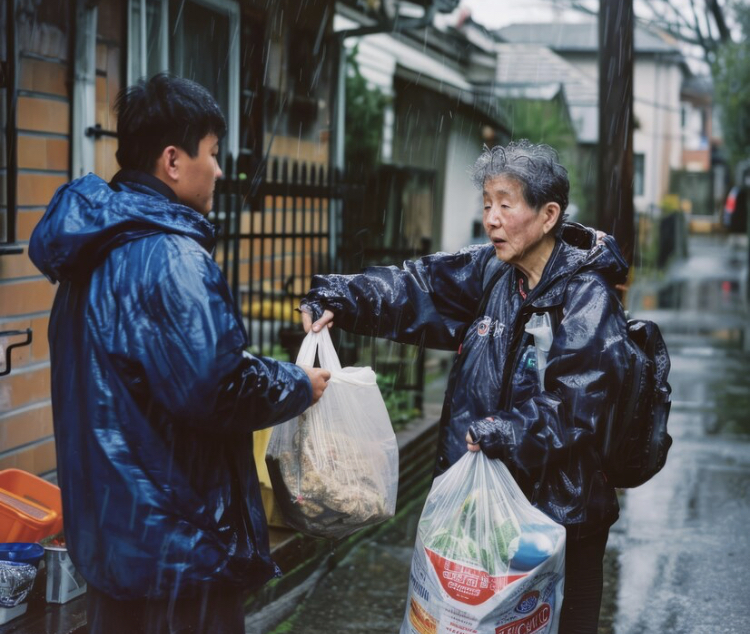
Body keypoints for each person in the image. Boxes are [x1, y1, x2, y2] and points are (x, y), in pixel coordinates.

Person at [29, 73, 330, 634]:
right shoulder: (170, 256)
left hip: (114, 544)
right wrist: (297, 383)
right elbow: (216, 388)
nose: (219, 170)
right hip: (177, 552)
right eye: (213, 154)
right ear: (172, 160)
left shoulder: (93, 251)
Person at [300, 140, 630, 633]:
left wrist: (506, 431)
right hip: (480, 515)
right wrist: (340, 297)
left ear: (548, 215)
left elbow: (578, 404)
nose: (491, 219)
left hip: (557, 522)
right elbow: (417, 286)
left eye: (506, 203)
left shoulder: (587, 297)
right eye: (486, 204)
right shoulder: (493, 274)